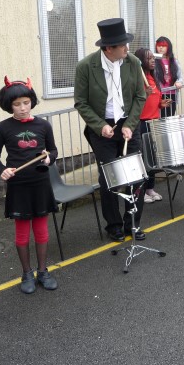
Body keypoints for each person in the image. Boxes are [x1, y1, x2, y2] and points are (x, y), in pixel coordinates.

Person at [74, 18, 147, 242]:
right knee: (109, 178)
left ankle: (132, 223)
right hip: (102, 127)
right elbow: (81, 102)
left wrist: (130, 125)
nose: (127, 48)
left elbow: (140, 96)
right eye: (122, 45)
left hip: (128, 124)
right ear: (108, 48)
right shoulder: (86, 66)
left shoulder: (133, 62)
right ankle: (114, 225)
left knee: (136, 176)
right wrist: (100, 126)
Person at [0, 77, 59, 294]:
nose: (22, 108)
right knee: (22, 233)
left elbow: (53, 150)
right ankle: (27, 273)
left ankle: (43, 271)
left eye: (26, 103)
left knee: (41, 230)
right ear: (9, 105)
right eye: (17, 104)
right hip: (18, 185)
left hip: (40, 184)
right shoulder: (3, 127)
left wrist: (49, 158)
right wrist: (2, 170)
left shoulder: (43, 125)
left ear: (32, 102)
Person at [134, 48, 172, 203]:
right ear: (140, 61)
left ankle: (150, 188)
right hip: (141, 123)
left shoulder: (153, 77)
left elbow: (155, 101)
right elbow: (134, 102)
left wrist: (162, 104)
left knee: (152, 157)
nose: (152, 60)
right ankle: (140, 191)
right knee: (142, 159)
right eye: (148, 58)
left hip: (154, 122)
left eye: (152, 58)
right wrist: (145, 94)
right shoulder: (137, 79)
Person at [154, 36, 183, 118]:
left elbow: (180, 76)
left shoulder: (174, 61)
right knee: (160, 119)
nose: (161, 48)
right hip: (159, 94)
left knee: (170, 118)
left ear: (168, 47)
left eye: (163, 46)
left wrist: (179, 82)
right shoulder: (154, 61)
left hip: (171, 94)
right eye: (159, 45)